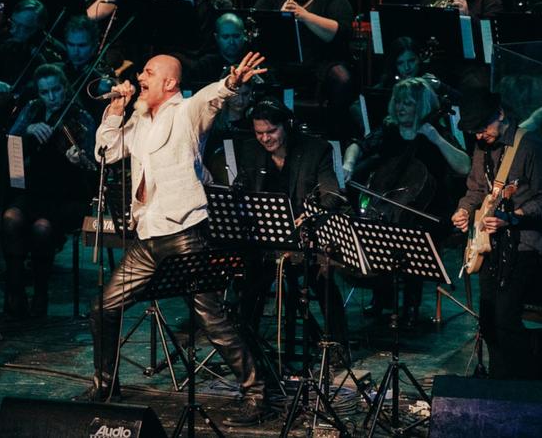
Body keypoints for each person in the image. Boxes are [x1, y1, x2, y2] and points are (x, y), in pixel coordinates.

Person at [88, 52, 270, 427]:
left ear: (169, 82)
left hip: (185, 232)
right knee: (104, 307)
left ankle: (255, 391)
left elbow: (211, 97)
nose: (140, 77)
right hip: (147, 235)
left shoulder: (186, 112)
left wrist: (232, 82)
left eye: (148, 72)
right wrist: (115, 111)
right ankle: (105, 386)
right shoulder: (139, 118)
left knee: (210, 317)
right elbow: (107, 152)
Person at [343, 77, 469, 330]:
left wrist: (436, 139)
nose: (401, 108)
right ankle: (382, 297)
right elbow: (359, 146)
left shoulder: (434, 131)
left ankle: (411, 304)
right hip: (390, 203)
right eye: (398, 102)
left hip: (429, 208)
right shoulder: (389, 129)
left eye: (408, 103)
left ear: (421, 106)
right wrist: (348, 164)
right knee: (378, 228)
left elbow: (464, 166)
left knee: (412, 235)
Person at [227, 99, 350, 349]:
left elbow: (332, 194)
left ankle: (338, 344)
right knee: (248, 280)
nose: (265, 138)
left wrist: (308, 216)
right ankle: (246, 347)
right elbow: (243, 188)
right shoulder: (250, 150)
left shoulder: (316, 149)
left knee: (323, 280)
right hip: (266, 236)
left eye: (271, 131)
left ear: (287, 125)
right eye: (259, 133)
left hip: (306, 234)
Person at [451, 89, 542, 380]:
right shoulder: (482, 147)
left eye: (482, 128)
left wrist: (511, 217)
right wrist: (463, 210)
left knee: (506, 319)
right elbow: (475, 190)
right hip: (490, 244)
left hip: (523, 245)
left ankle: (520, 386)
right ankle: (498, 383)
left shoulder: (530, 147)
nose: (479, 136)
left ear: (499, 114)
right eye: (474, 131)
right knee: (488, 321)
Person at [2, 63, 96, 317]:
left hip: (69, 195)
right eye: (45, 92)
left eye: (56, 90)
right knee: (10, 218)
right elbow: (10, 142)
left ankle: (41, 295)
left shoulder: (81, 117)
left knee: (42, 227)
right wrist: (28, 130)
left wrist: (79, 159)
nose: (52, 97)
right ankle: (15, 291)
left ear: (65, 88)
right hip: (35, 189)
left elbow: (93, 164)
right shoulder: (33, 109)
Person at [254, 0, 354, 138]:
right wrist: (279, 20)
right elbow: (257, 22)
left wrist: (304, 15)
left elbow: (340, 32)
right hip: (285, 63)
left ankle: (336, 135)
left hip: (321, 63)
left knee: (341, 78)